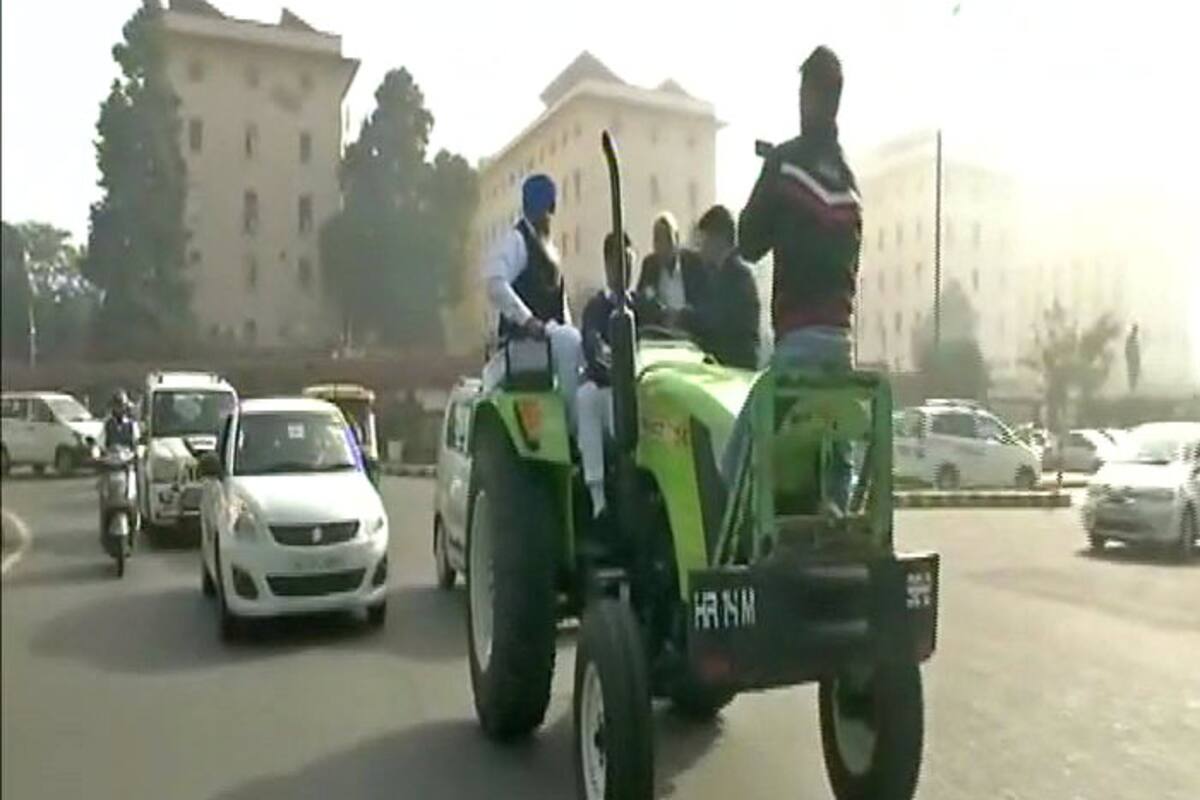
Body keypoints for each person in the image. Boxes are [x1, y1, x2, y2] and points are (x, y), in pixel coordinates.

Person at [725, 45, 862, 509]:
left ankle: (742, 560)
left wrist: (767, 174)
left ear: (806, 96)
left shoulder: (784, 165)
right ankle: (837, 524)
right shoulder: (850, 182)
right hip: (842, 346)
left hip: (798, 343)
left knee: (737, 461)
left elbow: (746, 242)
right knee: (836, 453)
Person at [482, 174, 583, 423]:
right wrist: (527, 320)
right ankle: (573, 428)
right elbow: (495, 283)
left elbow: (559, 303)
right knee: (570, 343)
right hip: (525, 343)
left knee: (579, 345)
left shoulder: (549, 248)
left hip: (549, 338)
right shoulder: (517, 241)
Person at [577, 231, 636, 519]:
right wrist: (615, 370)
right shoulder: (595, 309)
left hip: (642, 391)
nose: (625, 270)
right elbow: (594, 349)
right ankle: (597, 497)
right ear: (607, 265)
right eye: (619, 263)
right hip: (607, 393)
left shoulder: (646, 306)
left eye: (629, 261)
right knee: (585, 397)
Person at [691, 205, 761, 370]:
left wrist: (684, 318)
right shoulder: (718, 275)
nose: (701, 248)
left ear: (719, 239)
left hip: (736, 373)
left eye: (704, 239)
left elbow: (717, 321)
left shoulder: (739, 276)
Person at [634, 212, 707, 331]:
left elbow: (704, 306)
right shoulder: (649, 265)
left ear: (677, 239)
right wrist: (660, 313)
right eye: (657, 240)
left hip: (690, 335)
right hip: (659, 335)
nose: (662, 246)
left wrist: (681, 316)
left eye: (667, 239)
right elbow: (641, 302)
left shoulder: (694, 264)